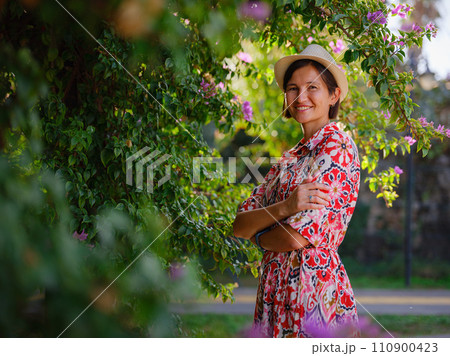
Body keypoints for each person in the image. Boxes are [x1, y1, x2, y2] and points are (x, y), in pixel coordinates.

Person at [233, 44, 360, 338]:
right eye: (292, 88)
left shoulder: (337, 146)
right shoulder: (291, 157)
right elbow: (240, 224)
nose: (300, 97)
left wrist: (260, 235)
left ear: (333, 95)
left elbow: (295, 237)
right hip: (274, 294)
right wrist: (285, 208)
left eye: (312, 87)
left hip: (311, 292)